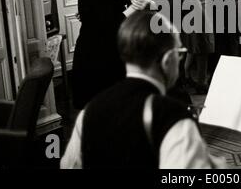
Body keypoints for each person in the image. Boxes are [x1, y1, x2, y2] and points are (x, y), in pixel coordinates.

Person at [60, 11, 226, 168]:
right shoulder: (173, 117)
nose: (180, 59)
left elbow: (69, 165)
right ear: (167, 60)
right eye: (179, 53)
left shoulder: (89, 111)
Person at [70, 0, 135, 109]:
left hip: (98, 58)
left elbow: (110, 6)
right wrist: (136, 6)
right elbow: (114, 24)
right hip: (95, 64)